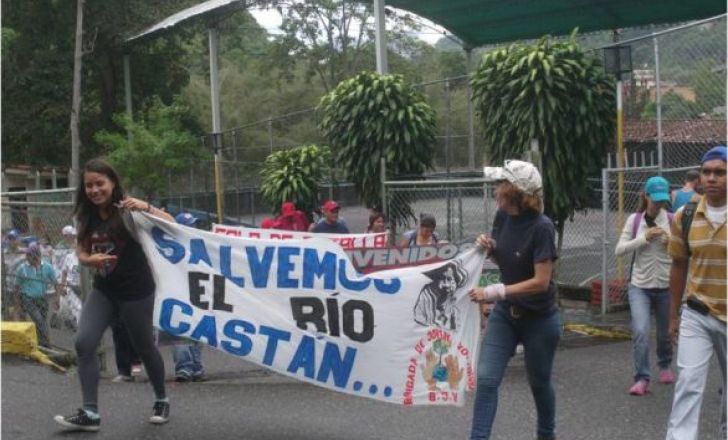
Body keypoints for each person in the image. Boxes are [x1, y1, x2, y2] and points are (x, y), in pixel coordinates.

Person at [54, 158, 174, 431]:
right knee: (84, 342)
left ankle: (161, 399)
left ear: (113, 183)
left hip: (136, 291)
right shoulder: (86, 215)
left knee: (144, 347)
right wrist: (88, 260)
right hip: (105, 289)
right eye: (89, 186)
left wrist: (147, 206)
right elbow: (82, 250)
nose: (95, 190)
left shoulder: (129, 210)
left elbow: (171, 224)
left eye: (100, 184)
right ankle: (90, 413)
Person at [467, 159, 561, 440]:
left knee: (539, 383)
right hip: (507, 314)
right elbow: (506, 257)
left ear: (514, 191)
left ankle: (546, 434)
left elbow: (541, 282)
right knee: (485, 378)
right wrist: (490, 248)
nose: (495, 189)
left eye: (500, 184)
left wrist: (494, 292)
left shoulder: (542, 227)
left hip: (540, 318)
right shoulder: (502, 217)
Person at [665, 146, 726, 440]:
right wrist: (673, 316)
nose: (712, 178)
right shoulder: (685, 215)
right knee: (688, 383)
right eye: (707, 172)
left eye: (720, 172)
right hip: (696, 313)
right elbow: (678, 265)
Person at [615, 176, 675, 396]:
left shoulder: (672, 219)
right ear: (645, 196)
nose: (659, 204)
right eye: (655, 199)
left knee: (665, 333)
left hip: (666, 286)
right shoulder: (635, 220)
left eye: (663, 200)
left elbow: (684, 251)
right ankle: (641, 378)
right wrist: (644, 238)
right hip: (639, 286)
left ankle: (665, 364)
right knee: (640, 331)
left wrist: (672, 243)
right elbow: (619, 250)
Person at [172, 212, 206, 382]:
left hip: (197, 292)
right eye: (190, 225)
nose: (194, 228)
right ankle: (185, 367)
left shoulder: (199, 245)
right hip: (179, 293)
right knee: (182, 331)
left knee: (198, 331)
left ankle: (196, 366)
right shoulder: (172, 247)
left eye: (194, 225)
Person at [14, 242, 59, 347]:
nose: (27, 257)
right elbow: (17, 287)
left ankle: (41, 344)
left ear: (36, 256)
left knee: (42, 321)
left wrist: (57, 298)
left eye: (29, 255)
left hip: (42, 298)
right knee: (38, 320)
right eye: (27, 255)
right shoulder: (22, 268)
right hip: (28, 298)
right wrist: (18, 305)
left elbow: (56, 283)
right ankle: (47, 344)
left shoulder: (47, 267)